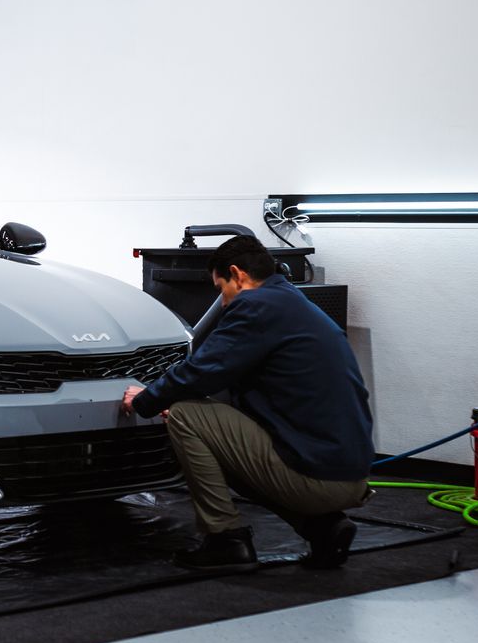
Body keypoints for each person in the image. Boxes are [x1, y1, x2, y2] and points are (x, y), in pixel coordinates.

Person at [122, 234, 373, 572]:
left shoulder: (255, 306)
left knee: (186, 416)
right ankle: (322, 528)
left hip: (317, 479)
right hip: (350, 475)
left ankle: (226, 540)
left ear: (238, 275)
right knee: (220, 442)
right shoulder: (293, 303)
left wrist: (146, 399)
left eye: (220, 289)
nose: (223, 302)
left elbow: (200, 371)